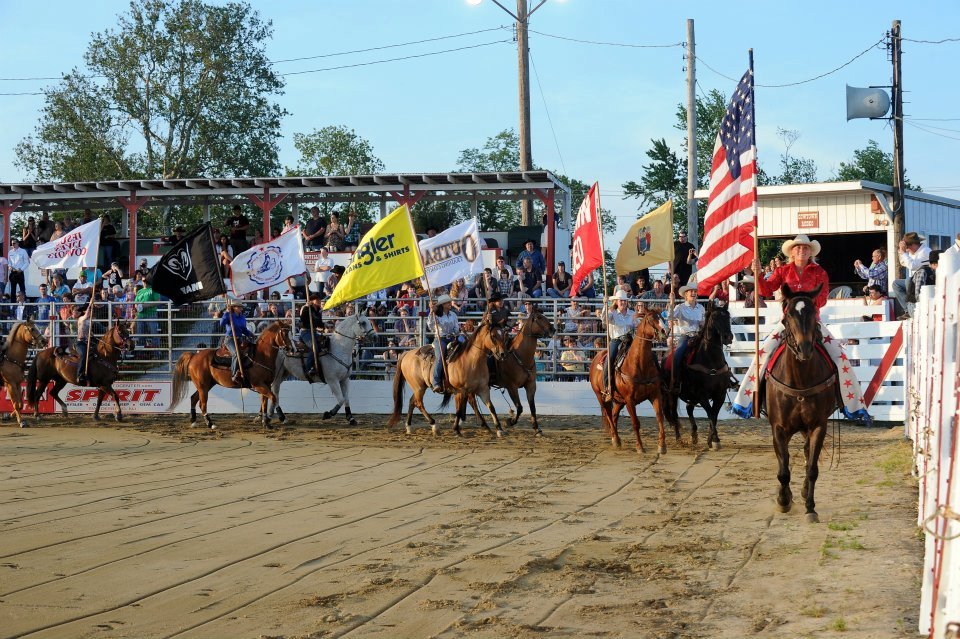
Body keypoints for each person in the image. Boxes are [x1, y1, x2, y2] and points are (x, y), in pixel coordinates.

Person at [732, 234, 871, 424]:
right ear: (791, 252)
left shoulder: (819, 272)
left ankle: (851, 404)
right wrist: (757, 274)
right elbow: (765, 290)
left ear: (810, 252)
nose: (801, 250)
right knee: (763, 353)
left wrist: (803, 304)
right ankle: (748, 400)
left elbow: (822, 297)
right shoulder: (782, 271)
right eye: (798, 248)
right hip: (787, 322)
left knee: (840, 356)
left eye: (805, 248)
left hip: (812, 321)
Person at [603, 290, 639, 398]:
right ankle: (607, 386)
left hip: (630, 340)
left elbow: (637, 325)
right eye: (621, 300)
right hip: (616, 340)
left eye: (624, 300)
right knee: (610, 359)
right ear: (616, 302)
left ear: (627, 302)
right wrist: (605, 306)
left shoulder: (632, 313)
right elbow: (604, 321)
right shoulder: (612, 313)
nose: (623, 302)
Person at [668, 284, 706, 388]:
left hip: (698, 336)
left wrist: (703, 324)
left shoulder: (701, 308)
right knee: (678, 354)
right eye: (691, 291)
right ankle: (675, 379)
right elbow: (670, 317)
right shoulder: (680, 307)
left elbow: (703, 322)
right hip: (686, 336)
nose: (693, 293)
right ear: (686, 294)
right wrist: (671, 303)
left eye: (695, 291)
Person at [893, 232, 930, 318]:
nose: (906, 249)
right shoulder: (912, 251)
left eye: (907, 246)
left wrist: (904, 253)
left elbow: (912, 266)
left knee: (908, 281)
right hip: (913, 280)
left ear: (912, 245)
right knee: (896, 284)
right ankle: (907, 310)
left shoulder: (925, 252)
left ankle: (912, 310)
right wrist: (902, 252)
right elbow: (903, 262)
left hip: (924, 281)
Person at [430, 294, 460, 393]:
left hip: (452, 337)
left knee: (466, 346)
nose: (450, 303)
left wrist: (457, 332)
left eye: (449, 302)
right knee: (440, 357)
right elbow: (431, 326)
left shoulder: (453, 315)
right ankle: (436, 382)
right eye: (447, 302)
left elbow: (456, 328)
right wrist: (431, 313)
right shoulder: (436, 315)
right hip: (440, 339)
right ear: (443, 304)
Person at [221, 301, 256, 383]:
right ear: (234, 308)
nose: (241, 308)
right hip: (230, 339)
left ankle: (244, 371)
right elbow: (221, 323)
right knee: (236, 354)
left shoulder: (242, 317)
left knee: (247, 353)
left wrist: (250, 334)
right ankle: (233, 375)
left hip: (239, 339)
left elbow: (244, 329)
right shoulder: (229, 315)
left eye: (241, 307)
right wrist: (226, 313)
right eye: (239, 306)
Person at [299, 293, 325, 380]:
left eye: (319, 300)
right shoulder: (306, 308)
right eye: (317, 300)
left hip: (313, 332)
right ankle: (308, 368)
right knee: (315, 348)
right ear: (312, 301)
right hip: (305, 332)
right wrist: (306, 307)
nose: (319, 301)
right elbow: (302, 319)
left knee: (325, 343)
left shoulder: (317, 311)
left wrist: (324, 326)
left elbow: (320, 324)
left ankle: (319, 365)